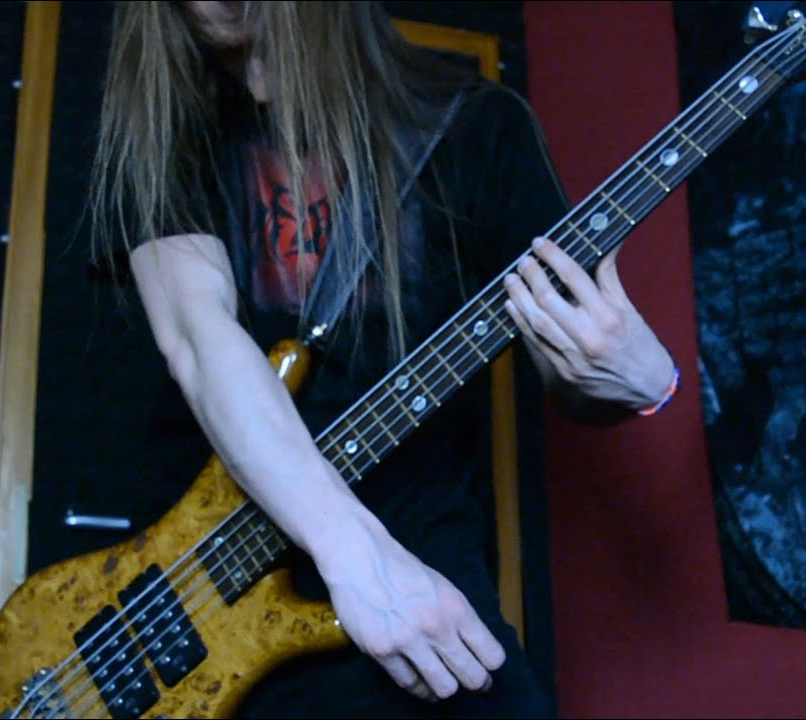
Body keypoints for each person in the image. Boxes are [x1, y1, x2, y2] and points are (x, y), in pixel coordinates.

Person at [89, 2, 678, 717]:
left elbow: (573, 372)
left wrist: (641, 380)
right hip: (202, 613)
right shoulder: (176, 129)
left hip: (427, 587)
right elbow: (197, 339)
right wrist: (355, 555)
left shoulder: (475, 126)